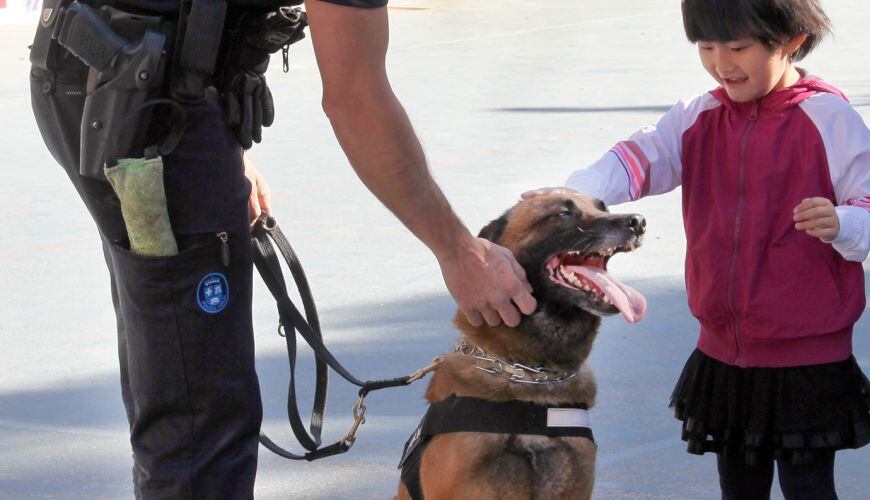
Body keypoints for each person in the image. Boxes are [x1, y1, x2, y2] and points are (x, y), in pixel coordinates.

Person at [29, 0, 535, 497]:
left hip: (107, 78)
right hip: (147, 105)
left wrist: (221, 139)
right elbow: (356, 98)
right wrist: (459, 251)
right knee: (198, 416)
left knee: (169, 369)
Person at [525, 0, 870, 497]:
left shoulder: (827, 116)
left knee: (809, 485)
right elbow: (638, 157)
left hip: (806, 354)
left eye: (738, 47)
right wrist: (572, 197)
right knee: (738, 485)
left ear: (790, 41)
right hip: (723, 350)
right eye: (706, 47)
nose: (722, 63)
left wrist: (843, 221)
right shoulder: (698, 115)